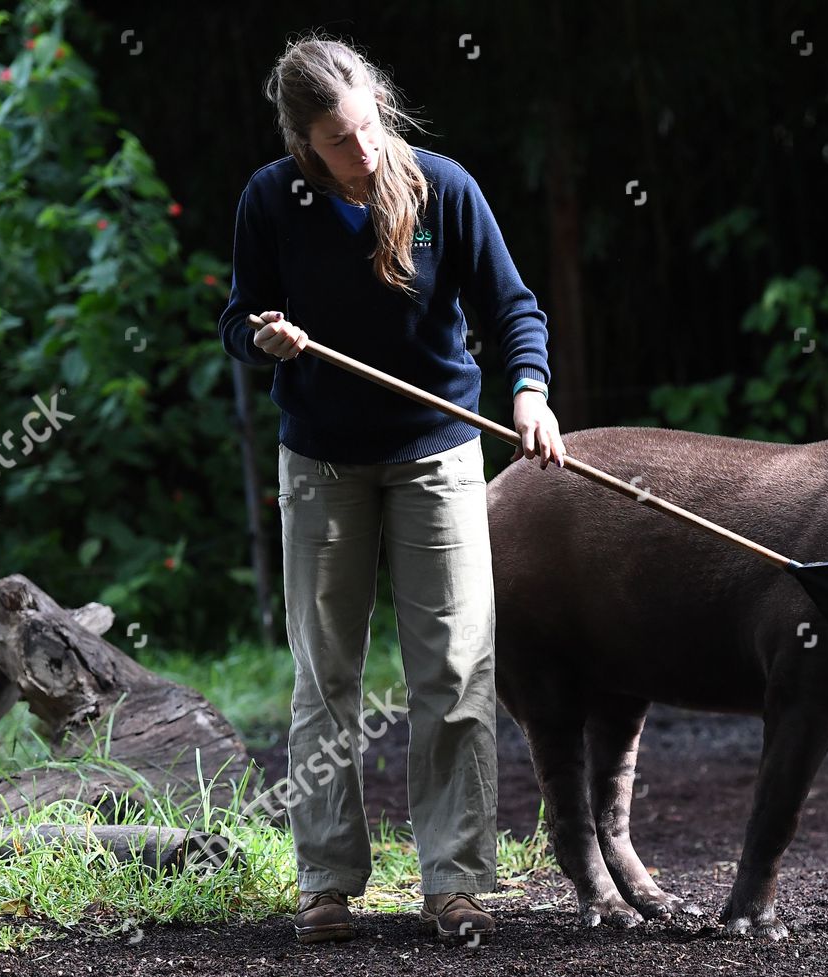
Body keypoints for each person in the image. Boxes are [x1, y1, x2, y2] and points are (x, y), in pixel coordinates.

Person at [217, 33, 566, 946]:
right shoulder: (270, 201)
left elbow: (512, 307)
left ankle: (453, 878)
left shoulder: (443, 186)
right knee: (325, 675)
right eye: (338, 139)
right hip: (321, 461)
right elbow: (234, 315)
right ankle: (327, 880)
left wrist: (528, 390)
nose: (362, 150)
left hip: (437, 452)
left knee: (453, 668)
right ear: (302, 142)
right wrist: (263, 338)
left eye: (368, 126)